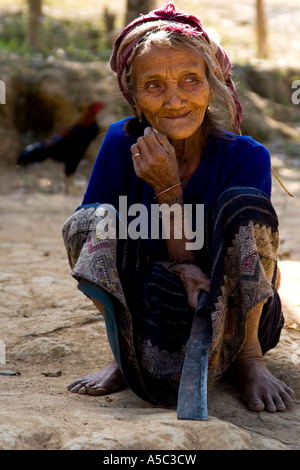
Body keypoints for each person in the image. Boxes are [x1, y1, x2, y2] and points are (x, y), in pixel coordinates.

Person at [62, 2, 295, 413]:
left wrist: (169, 191)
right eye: (154, 85)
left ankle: (249, 361)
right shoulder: (121, 143)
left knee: (245, 204)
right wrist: (178, 264)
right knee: (89, 223)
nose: (174, 101)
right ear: (134, 97)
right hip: (155, 309)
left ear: (213, 86)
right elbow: (92, 248)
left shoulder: (246, 156)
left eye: (191, 79)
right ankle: (125, 352)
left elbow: (249, 256)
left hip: (238, 315)